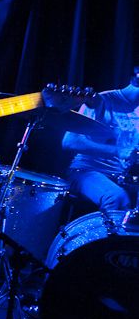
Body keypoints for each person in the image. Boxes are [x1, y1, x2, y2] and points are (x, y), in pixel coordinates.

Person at [62, 67, 139, 211]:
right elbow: (70, 141)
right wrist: (117, 151)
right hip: (85, 172)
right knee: (116, 198)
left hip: (121, 178)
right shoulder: (102, 100)